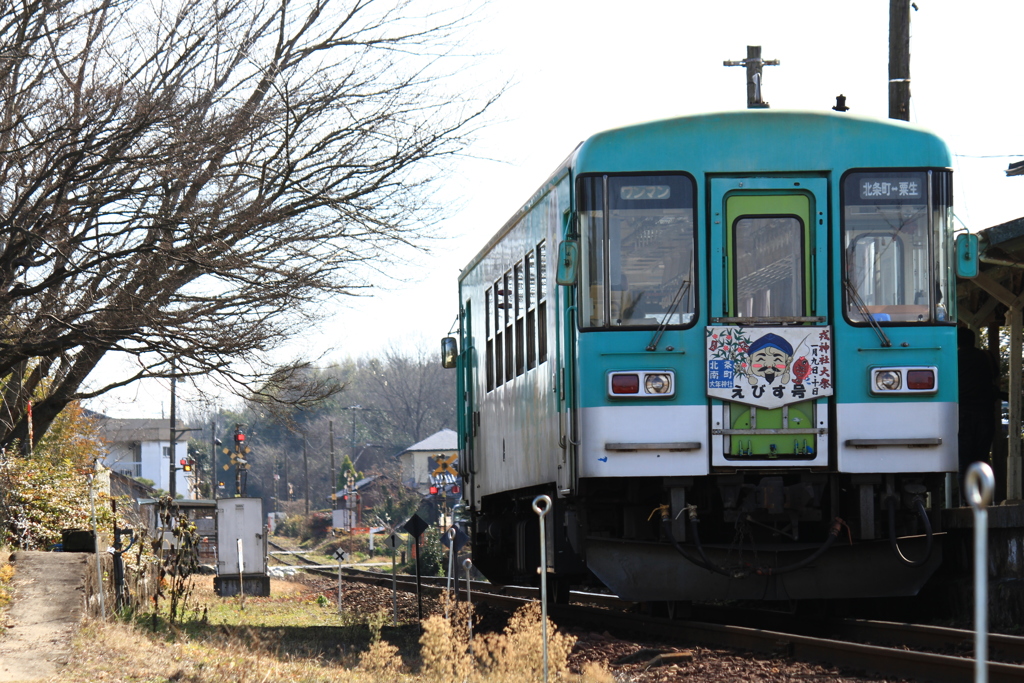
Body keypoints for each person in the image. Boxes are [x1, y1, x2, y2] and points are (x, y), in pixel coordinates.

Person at [957, 326, 999, 505]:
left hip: (963, 415)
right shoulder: (987, 357)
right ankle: (985, 499)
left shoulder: (954, 359)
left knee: (964, 461)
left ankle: (967, 501)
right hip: (985, 414)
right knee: (982, 457)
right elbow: (995, 376)